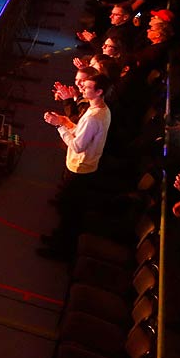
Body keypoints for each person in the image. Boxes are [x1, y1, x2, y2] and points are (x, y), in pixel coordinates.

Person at [42, 69, 111, 254]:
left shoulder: (93, 116)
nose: (83, 89)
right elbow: (82, 133)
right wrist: (65, 122)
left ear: (99, 92)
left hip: (79, 168)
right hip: (86, 166)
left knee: (68, 211)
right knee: (69, 209)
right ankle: (59, 239)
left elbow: (78, 145)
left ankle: (60, 248)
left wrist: (59, 126)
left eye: (88, 87)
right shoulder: (102, 110)